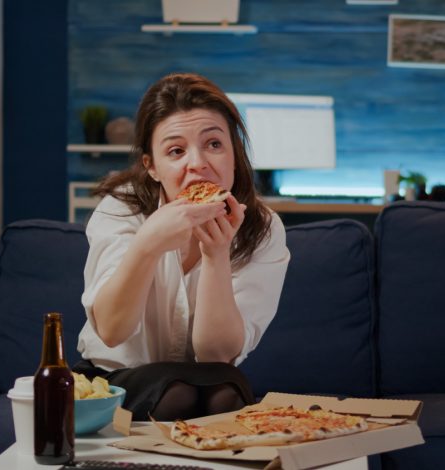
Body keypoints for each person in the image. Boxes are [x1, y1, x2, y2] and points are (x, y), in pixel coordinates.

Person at [74, 72, 290, 421]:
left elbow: (216, 354)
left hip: (210, 379)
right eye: (176, 150)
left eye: (214, 144)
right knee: (176, 392)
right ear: (152, 167)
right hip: (114, 379)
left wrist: (216, 254)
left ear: (234, 153)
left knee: (223, 391)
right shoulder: (121, 208)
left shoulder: (262, 227)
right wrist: (147, 245)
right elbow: (112, 332)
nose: (198, 163)